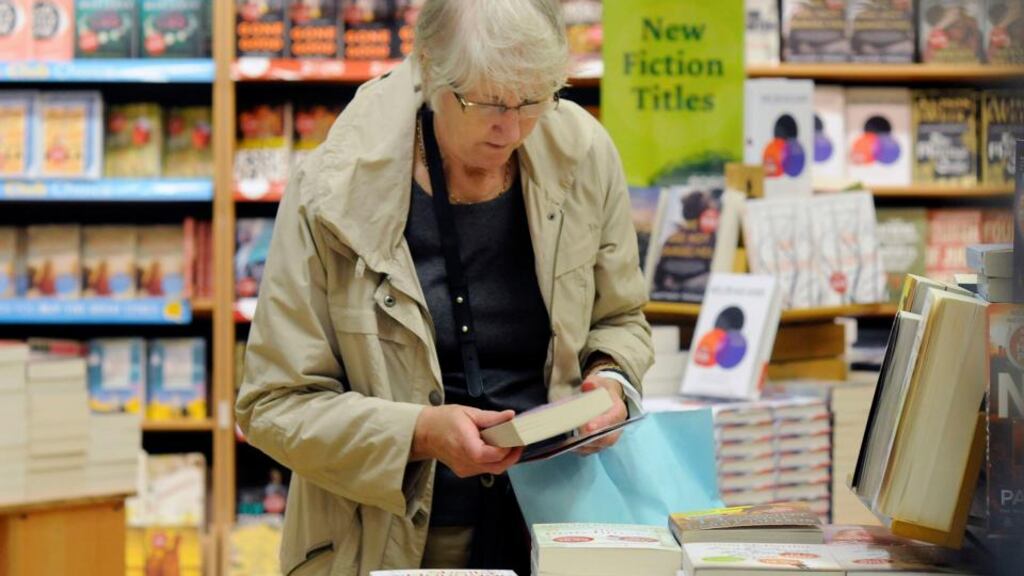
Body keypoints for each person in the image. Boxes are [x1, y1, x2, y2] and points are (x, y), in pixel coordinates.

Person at [235, 1, 653, 574]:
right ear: (430, 67)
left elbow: (622, 319)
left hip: (557, 526)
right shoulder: (333, 190)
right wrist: (419, 434)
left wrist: (610, 378)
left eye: (533, 100)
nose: (511, 127)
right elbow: (272, 404)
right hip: (384, 537)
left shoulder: (583, 154)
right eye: (487, 102)